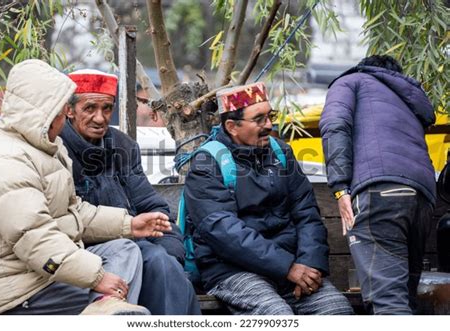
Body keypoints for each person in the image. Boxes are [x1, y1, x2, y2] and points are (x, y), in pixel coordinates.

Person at [0, 59, 173, 315]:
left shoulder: (44, 148)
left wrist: (129, 225)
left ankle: (104, 307)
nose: (99, 118)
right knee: (132, 312)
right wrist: (96, 277)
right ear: (46, 113)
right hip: (15, 292)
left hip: (42, 272)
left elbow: (73, 212)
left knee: (125, 249)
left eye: (106, 108)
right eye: (62, 112)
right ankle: (106, 310)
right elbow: (35, 239)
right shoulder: (6, 161)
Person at [183, 82, 353, 315]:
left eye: (270, 116)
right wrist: (286, 267)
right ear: (232, 126)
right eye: (259, 119)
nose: (269, 125)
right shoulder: (207, 163)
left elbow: (307, 213)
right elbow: (223, 231)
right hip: (233, 271)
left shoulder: (281, 153)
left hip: (292, 267)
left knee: (337, 313)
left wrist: (310, 265)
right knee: (276, 316)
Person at [59, 69, 201, 315]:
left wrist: (170, 248)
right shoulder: (58, 148)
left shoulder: (122, 145)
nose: (100, 118)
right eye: (90, 108)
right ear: (69, 110)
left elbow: (151, 204)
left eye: (106, 108)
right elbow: (68, 219)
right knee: (157, 263)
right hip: (86, 252)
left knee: (167, 262)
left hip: (137, 241)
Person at [319, 55, 436, 314]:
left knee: (389, 303)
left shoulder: (350, 82)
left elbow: (335, 126)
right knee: (404, 298)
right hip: (423, 197)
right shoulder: (408, 100)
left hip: (380, 191)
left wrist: (340, 189)